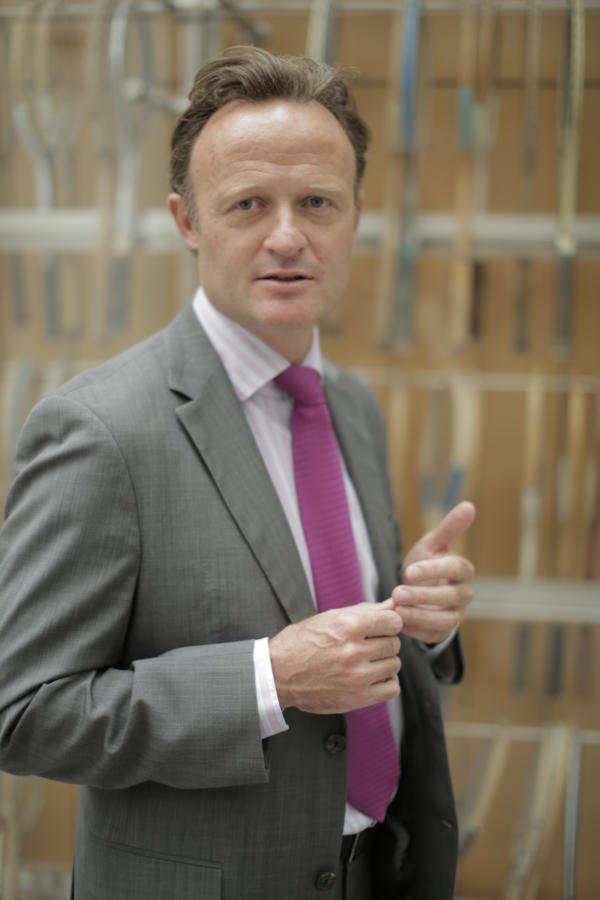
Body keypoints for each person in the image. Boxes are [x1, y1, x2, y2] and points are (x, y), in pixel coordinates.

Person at [0, 47, 476, 900]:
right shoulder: (101, 431)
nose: (288, 237)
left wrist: (421, 625)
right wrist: (269, 679)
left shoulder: (351, 406)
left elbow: (346, 643)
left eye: (317, 202)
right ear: (187, 221)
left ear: (357, 214)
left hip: (382, 871)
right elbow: (22, 712)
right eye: (249, 203)